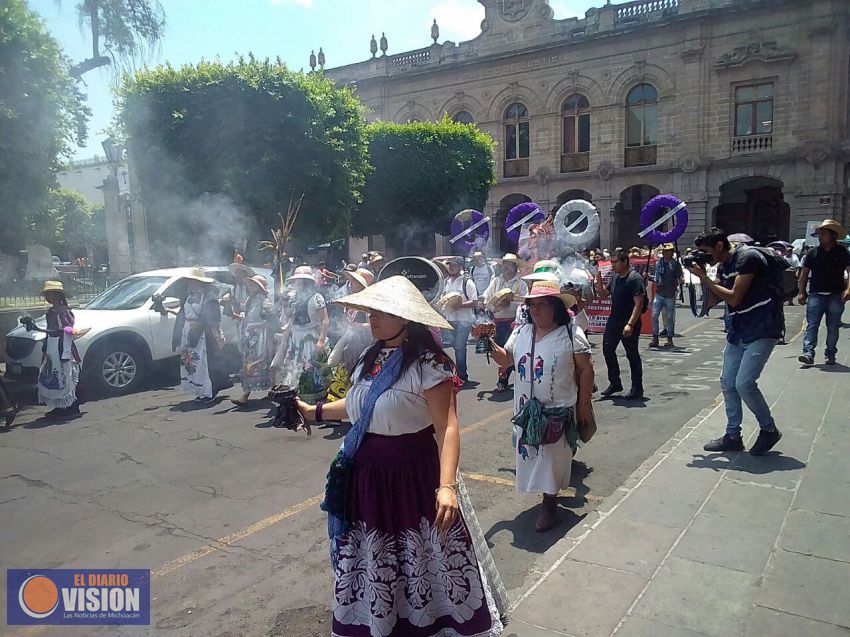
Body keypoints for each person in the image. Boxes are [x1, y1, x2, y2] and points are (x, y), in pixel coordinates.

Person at [296, 276, 504, 637]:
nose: (373, 318)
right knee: (375, 560)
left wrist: (447, 486)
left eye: (382, 312)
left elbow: (448, 427)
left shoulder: (430, 364)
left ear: (405, 318)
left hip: (413, 477)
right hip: (369, 478)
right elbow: (359, 406)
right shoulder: (368, 357)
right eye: (372, 311)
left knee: (421, 558)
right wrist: (309, 410)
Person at [488, 280, 595, 532]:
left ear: (556, 308)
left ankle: (549, 503)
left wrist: (583, 404)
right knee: (531, 454)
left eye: (542, 305)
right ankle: (545, 496)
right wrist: (488, 344)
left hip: (557, 409)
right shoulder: (521, 332)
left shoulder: (571, 334)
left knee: (551, 458)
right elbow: (507, 359)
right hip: (526, 410)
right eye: (531, 305)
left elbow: (586, 369)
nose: (535, 310)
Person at [687, 228, 782, 455]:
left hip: (762, 327)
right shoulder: (722, 265)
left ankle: (769, 430)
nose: (704, 256)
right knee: (728, 383)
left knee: (744, 384)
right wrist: (700, 278)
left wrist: (705, 278)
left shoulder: (747, 258)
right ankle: (732, 436)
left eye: (705, 251)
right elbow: (711, 301)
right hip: (738, 330)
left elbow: (734, 298)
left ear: (719, 246)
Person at [271, 265, 331, 402]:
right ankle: (296, 401)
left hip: (311, 336)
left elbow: (325, 320)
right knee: (292, 367)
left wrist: (321, 340)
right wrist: (284, 303)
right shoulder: (292, 297)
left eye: (302, 280)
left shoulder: (316, 297)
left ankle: (315, 401)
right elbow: (289, 317)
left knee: (311, 368)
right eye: (297, 280)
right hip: (295, 337)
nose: (298, 283)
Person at [170, 268, 231, 401]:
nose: (191, 283)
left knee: (206, 363)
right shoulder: (188, 295)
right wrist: (177, 337)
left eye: (194, 281)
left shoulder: (209, 296)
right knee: (193, 364)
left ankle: (210, 390)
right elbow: (182, 315)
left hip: (204, 335)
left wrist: (200, 324)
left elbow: (213, 316)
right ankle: (199, 390)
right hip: (189, 333)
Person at [593, 249, 646, 399]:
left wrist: (630, 324)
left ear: (625, 262)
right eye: (612, 262)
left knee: (632, 354)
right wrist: (598, 278)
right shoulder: (616, 277)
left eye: (615, 262)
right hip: (614, 320)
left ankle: (637, 387)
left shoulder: (634, 279)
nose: (612, 265)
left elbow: (639, 304)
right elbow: (604, 294)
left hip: (629, 321)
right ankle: (615, 382)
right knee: (608, 350)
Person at [797, 219, 850, 366]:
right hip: (815, 294)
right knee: (812, 325)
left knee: (833, 326)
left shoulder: (842, 252)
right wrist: (801, 292)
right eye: (819, 234)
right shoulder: (813, 252)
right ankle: (808, 353)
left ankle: (830, 354)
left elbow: (849, 271)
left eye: (823, 233)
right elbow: (804, 274)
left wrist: (848, 289)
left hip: (836, 295)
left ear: (833, 235)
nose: (820, 236)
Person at [481, 253, 528, 392]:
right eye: (504, 264)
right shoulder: (496, 281)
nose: (505, 267)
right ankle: (511, 375)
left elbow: (525, 301)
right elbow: (487, 295)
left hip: (514, 322)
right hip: (498, 321)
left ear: (514, 267)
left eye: (509, 265)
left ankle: (504, 379)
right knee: (501, 350)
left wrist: (509, 303)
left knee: (510, 351)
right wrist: (482, 299)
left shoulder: (521, 284)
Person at [36, 281, 82, 417]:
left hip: (62, 346)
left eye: (49, 293)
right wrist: (45, 347)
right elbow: (50, 330)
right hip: (52, 346)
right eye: (46, 294)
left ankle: (72, 406)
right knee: (54, 375)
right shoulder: (51, 312)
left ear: (57, 295)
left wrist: (68, 330)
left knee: (66, 376)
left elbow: (67, 329)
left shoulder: (64, 311)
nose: (47, 296)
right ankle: (60, 406)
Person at [231, 275, 275, 407]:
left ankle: (247, 394)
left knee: (260, 362)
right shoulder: (251, 299)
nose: (250, 286)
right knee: (249, 363)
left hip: (260, 336)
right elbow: (247, 317)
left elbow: (270, 321)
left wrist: (257, 326)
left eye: (253, 284)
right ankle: (249, 391)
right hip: (250, 336)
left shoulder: (265, 301)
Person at [440, 256, 478, 385]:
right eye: (450, 265)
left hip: (464, 320)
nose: (451, 267)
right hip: (449, 319)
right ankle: (453, 372)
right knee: (449, 346)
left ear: (460, 267)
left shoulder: (467, 282)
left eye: (454, 265)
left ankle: (462, 375)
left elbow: (475, 301)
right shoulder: (446, 282)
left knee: (460, 347)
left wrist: (460, 305)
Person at [649, 243, 684, 348]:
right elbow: (655, 277)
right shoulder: (658, 264)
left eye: (668, 251)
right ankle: (655, 337)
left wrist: (681, 281)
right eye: (664, 251)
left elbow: (680, 276)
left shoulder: (676, 264)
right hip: (659, 293)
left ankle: (669, 338)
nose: (665, 253)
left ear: (671, 253)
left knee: (669, 318)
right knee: (654, 315)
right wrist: (648, 276)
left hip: (670, 294)